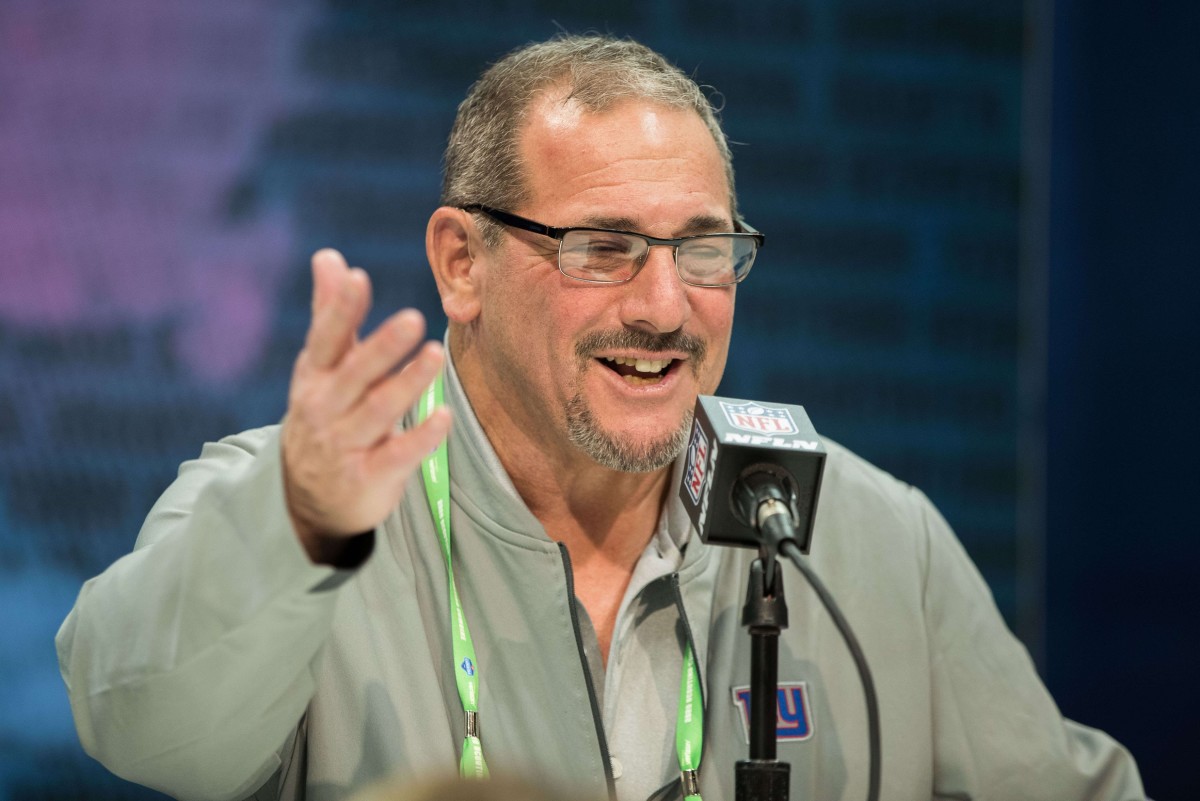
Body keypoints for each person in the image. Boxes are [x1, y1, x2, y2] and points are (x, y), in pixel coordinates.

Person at [56, 35, 1145, 801]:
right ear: (460, 261)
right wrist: (297, 526)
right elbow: (145, 733)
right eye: (603, 247)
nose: (665, 307)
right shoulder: (300, 509)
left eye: (703, 249)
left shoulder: (866, 537)